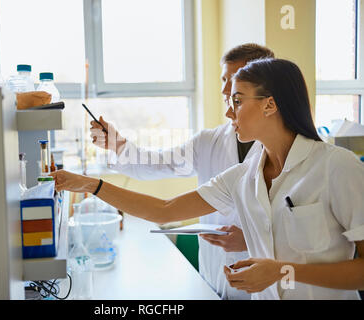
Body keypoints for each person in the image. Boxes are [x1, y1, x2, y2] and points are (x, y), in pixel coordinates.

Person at [51, 58, 364, 299]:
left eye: (238, 100)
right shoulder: (242, 177)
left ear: (270, 103)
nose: (229, 112)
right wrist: (91, 185)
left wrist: (283, 272)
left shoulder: (336, 168)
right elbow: (165, 210)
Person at [88, 43, 275, 300]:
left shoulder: (285, 150)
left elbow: (303, 236)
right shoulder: (209, 142)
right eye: (224, 80)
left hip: (265, 286)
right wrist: (117, 144)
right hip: (213, 276)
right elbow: (159, 164)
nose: (224, 89)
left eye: (233, 80)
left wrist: (252, 241)